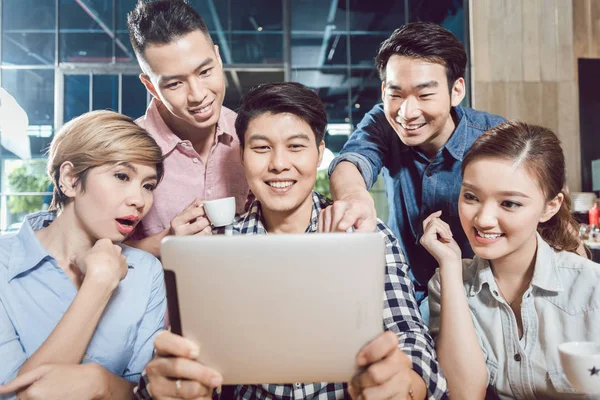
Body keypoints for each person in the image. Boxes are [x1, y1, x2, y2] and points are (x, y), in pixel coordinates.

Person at [134, 82, 448, 400]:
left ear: (320, 152)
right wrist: (165, 386)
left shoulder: (366, 233)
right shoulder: (217, 245)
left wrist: (407, 382)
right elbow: (186, 354)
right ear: (241, 155)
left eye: (296, 146)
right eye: (261, 148)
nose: (279, 164)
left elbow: (409, 336)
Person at [325, 22, 505, 318]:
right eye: (395, 94)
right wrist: (354, 196)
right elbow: (351, 161)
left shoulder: (493, 136)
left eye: (424, 95)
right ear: (384, 90)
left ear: (456, 90)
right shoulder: (383, 122)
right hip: (404, 293)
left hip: (479, 296)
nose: (406, 113)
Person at [421, 121, 600, 399]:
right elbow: (464, 394)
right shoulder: (448, 284)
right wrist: (450, 266)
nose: (483, 219)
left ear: (550, 206)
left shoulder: (592, 286)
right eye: (471, 196)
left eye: (510, 203)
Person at [0, 110, 166, 399]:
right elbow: (15, 395)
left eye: (148, 186)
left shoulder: (147, 271)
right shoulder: (4, 264)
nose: (139, 200)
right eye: (121, 175)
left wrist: (103, 384)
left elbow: (147, 392)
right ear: (70, 179)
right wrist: (98, 285)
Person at [125, 0, 249, 257]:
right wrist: (163, 243)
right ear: (151, 87)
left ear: (218, 57)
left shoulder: (249, 137)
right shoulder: (123, 152)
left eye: (205, 71)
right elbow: (83, 253)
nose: (198, 95)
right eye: (174, 84)